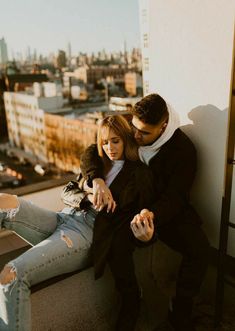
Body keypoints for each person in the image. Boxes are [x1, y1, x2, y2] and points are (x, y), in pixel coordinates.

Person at [0, 115, 155, 331]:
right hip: (64, 217)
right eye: (104, 141)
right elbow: (67, 191)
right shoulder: (97, 165)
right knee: (4, 202)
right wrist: (91, 193)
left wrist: (145, 237)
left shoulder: (139, 174)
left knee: (12, 274)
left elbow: (142, 216)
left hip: (85, 234)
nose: (109, 147)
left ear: (126, 139)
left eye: (115, 141)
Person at [79, 94, 210, 331]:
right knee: (118, 244)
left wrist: (151, 216)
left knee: (200, 248)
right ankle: (131, 302)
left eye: (144, 133)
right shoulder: (135, 123)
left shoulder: (183, 151)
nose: (136, 136)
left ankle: (180, 309)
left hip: (161, 210)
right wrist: (95, 178)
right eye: (134, 129)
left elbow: (176, 197)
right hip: (128, 204)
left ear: (163, 126)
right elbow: (92, 149)